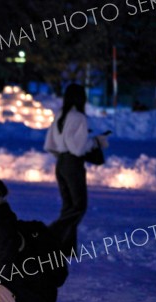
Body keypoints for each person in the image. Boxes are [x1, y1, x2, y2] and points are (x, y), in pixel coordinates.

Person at [44, 83, 108, 253]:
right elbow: (77, 148)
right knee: (78, 207)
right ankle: (48, 235)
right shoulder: (78, 117)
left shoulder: (60, 115)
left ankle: (66, 248)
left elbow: (50, 144)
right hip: (73, 164)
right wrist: (96, 141)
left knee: (68, 207)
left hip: (61, 164)